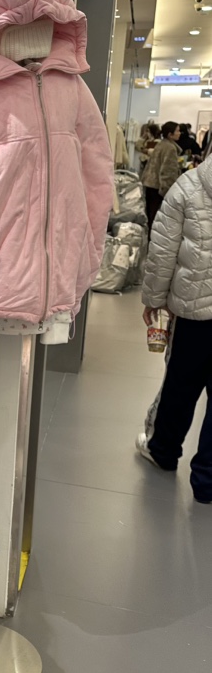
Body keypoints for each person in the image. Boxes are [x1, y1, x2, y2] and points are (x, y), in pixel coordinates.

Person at [136, 153, 212, 505]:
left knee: (181, 384)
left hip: (194, 312)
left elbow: (163, 251)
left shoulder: (189, 186)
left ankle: (163, 451)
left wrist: (153, 299)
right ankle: (207, 480)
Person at [141, 121, 181, 234]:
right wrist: (168, 191)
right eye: (177, 131)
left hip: (150, 184)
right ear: (170, 134)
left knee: (151, 216)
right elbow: (168, 172)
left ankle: (150, 238)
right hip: (159, 187)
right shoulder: (170, 148)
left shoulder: (161, 144)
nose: (179, 133)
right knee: (157, 218)